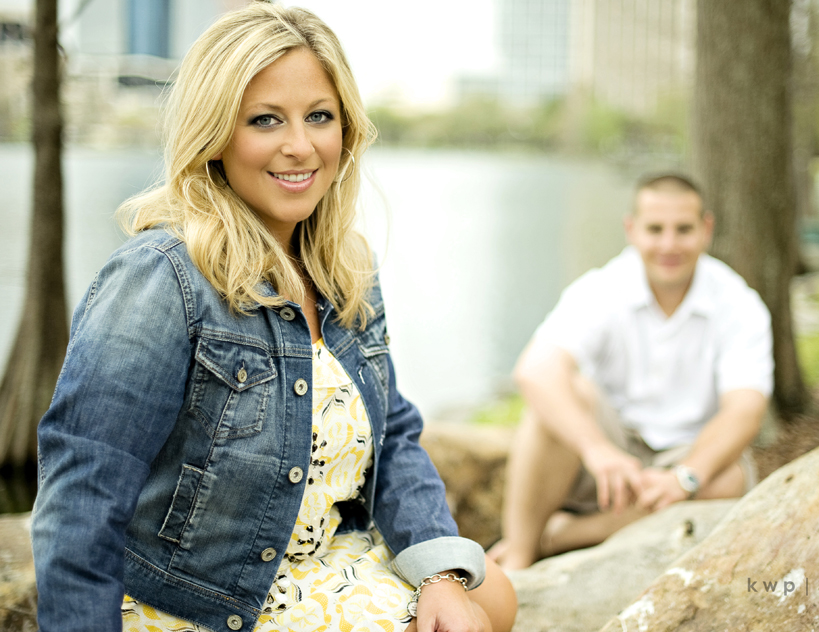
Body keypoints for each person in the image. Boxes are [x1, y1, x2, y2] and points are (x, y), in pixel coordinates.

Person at [30, 4, 516, 632]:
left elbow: (393, 435)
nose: (300, 146)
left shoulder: (345, 266)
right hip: (202, 599)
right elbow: (81, 497)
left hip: (315, 561)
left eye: (319, 116)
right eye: (265, 119)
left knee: (488, 590)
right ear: (215, 134)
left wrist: (439, 575)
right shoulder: (161, 279)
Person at [489, 174, 773, 571]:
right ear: (632, 230)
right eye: (655, 229)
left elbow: (745, 410)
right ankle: (519, 554)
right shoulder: (603, 287)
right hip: (611, 454)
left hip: (687, 455)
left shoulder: (738, 303)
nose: (669, 245)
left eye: (683, 229)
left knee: (729, 480)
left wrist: (685, 477)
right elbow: (535, 370)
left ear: (706, 229)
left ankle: (565, 535)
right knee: (562, 395)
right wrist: (597, 450)